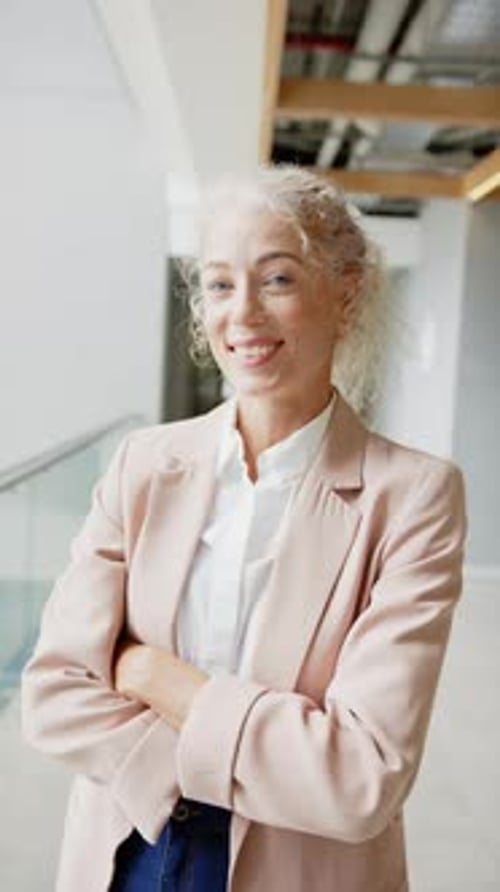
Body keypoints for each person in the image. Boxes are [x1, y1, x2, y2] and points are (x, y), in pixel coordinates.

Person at [21, 166, 466, 892]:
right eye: (221, 285)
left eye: (279, 279)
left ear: (345, 294)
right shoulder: (144, 464)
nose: (243, 314)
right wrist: (218, 767)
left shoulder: (415, 497)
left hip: (298, 868)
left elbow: (359, 779)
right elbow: (54, 693)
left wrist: (154, 675)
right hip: (130, 845)